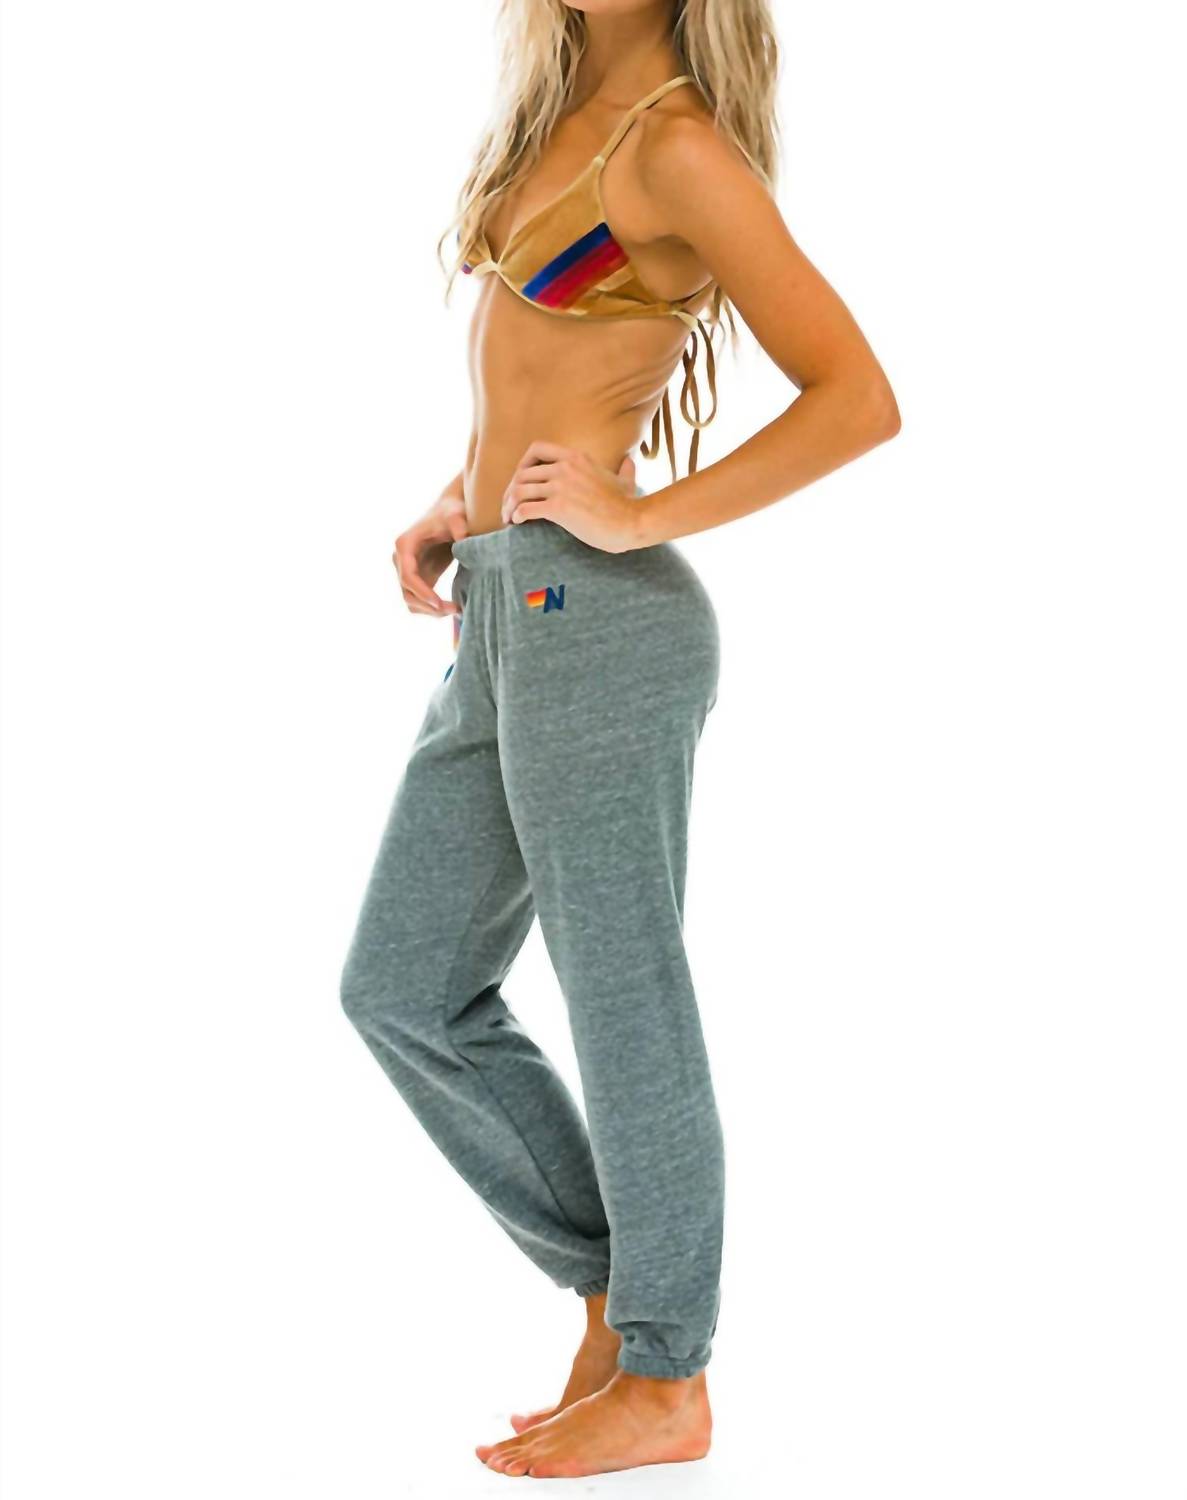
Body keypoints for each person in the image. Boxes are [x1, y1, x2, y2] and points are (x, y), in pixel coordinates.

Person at [340, 0, 899, 1479]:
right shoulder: (553, 121)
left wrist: (641, 514)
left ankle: (667, 1374)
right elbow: (537, 370)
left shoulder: (677, 150)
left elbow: (860, 399)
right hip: (504, 603)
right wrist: (458, 498)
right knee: (403, 985)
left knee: (622, 997)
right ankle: (619, 1298)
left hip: (598, 620)